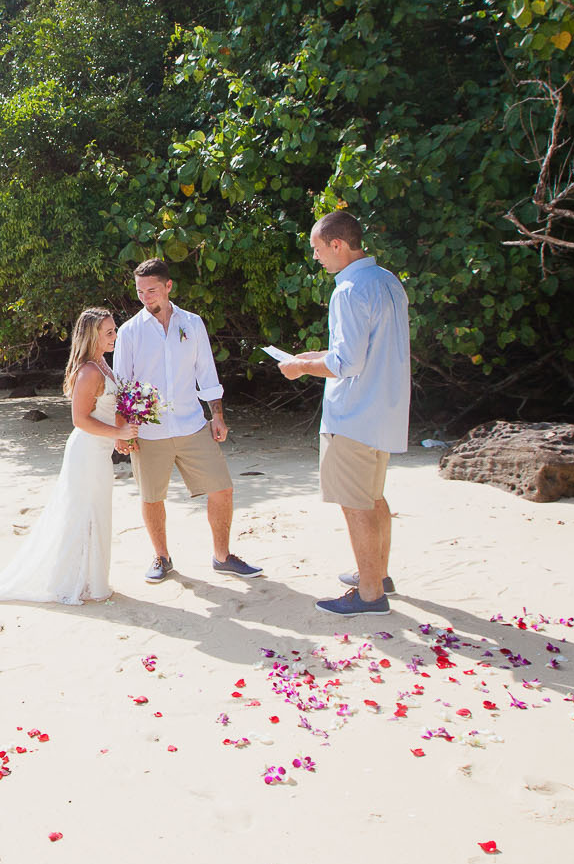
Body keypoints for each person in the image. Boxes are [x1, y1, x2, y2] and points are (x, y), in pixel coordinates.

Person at [0, 308, 140, 605]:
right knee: (83, 514)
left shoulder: (103, 365)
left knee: (96, 513)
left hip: (99, 451)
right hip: (86, 453)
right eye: (109, 332)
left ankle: (92, 580)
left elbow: (107, 411)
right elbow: (80, 420)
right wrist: (118, 435)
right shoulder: (88, 371)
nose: (115, 335)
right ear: (92, 336)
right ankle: (74, 583)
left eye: (114, 330)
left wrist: (120, 436)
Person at [277, 210, 411, 616]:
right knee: (373, 499)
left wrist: (300, 368)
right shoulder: (388, 281)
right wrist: (314, 355)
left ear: (338, 245)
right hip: (384, 410)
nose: (316, 257)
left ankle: (370, 594)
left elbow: (346, 364)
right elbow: (363, 351)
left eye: (318, 249)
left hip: (353, 414)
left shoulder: (348, 289)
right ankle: (378, 575)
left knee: (356, 506)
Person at [112, 259, 262, 583]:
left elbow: (206, 372)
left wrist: (217, 415)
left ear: (168, 287)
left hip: (193, 424)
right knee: (152, 498)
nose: (146, 297)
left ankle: (222, 557)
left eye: (151, 290)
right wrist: (121, 431)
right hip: (149, 431)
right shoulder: (129, 332)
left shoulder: (192, 324)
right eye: (140, 292)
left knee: (222, 489)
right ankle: (162, 558)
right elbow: (123, 384)